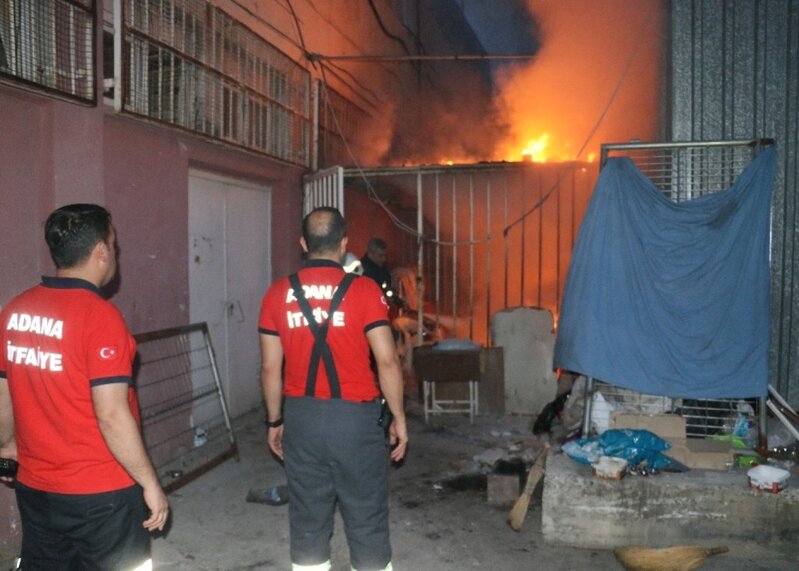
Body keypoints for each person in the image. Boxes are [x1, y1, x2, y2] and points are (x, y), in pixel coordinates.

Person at [0, 204, 169, 570]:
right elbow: (110, 414)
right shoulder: (100, 317)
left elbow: (3, 394)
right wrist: (150, 483)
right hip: (101, 494)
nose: (115, 253)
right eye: (113, 243)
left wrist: (6, 445)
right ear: (100, 252)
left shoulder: (15, 310)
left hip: (37, 488)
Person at [259, 207, 408, 571]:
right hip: (356, 422)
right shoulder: (365, 290)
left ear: (302, 244)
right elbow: (387, 361)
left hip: (302, 419)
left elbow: (269, 367)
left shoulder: (277, 293)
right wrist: (399, 417)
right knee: (366, 518)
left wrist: (275, 421)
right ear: (343, 245)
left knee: (308, 518)